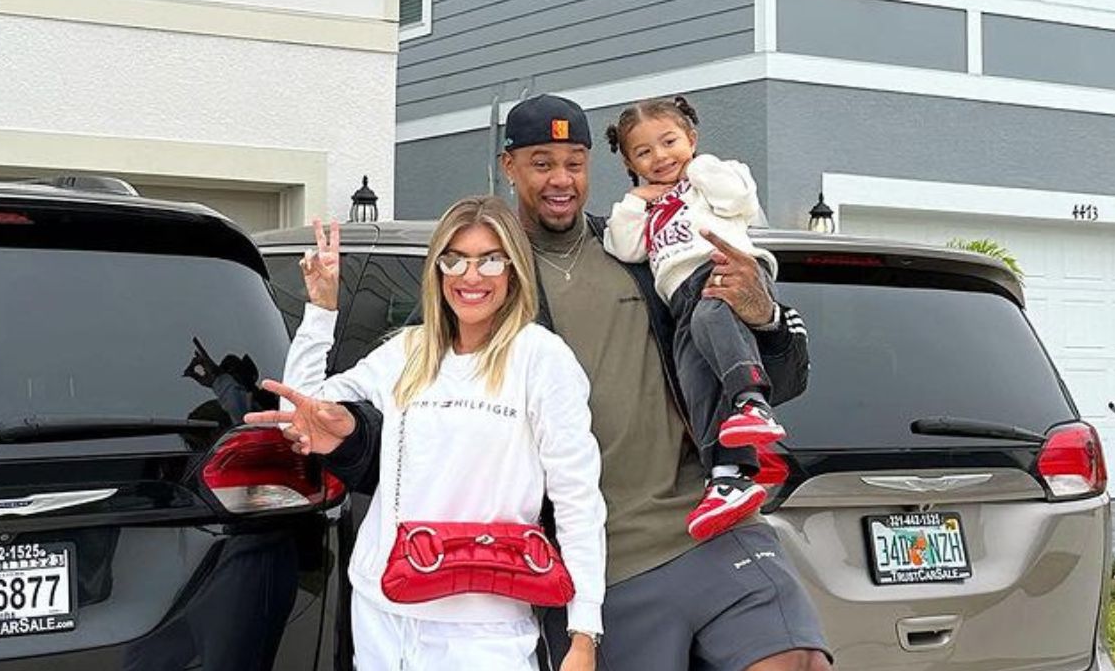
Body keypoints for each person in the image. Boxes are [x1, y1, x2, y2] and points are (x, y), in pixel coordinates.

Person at [253, 95, 829, 671]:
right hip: (598, 561)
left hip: (709, 523)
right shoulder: (486, 287)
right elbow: (409, 431)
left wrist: (764, 317)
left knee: (799, 660)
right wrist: (344, 429)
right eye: (541, 163)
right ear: (510, 167)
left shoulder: (641, 249)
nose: (561, 180)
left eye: (574, 163)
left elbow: (777, 377)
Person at [253, 198, 606, 671]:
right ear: (438, 270)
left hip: (484, 626)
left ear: (514, 271)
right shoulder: (409, 351)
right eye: (454, 259)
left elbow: (578, 497)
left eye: (490, 260)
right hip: (384, 610)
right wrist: (321, 309)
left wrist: (584, 632)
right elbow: (297, 406)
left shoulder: (541, 358)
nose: (471, 276)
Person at [601, 95, 784, 540]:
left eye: (670, 142)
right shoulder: (647, 205)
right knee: (693, 380)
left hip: (726, 271)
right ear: (630, 162)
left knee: (710, 320)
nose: (660, 156)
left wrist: (698, 167)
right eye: (644, 152)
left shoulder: (715, 177)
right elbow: (623, 247)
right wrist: (635, 200)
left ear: (692, 138)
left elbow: (739, 196)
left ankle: (751, 401)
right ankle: (727, 477)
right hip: (680, 295)